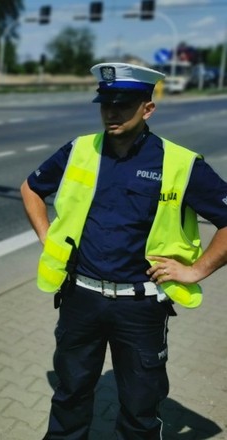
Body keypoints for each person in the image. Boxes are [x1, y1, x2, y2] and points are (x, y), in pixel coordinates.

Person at [20, 62, 227, 439]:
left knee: (139, 410)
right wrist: (49, 238)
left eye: (124, 104)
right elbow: (31, 188)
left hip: (140, 307)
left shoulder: (178, 163)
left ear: (148, 108)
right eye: (106, 103)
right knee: (69, 396)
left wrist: (195, 271)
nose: (112, 112)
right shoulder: (80, 149)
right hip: (80, 298)